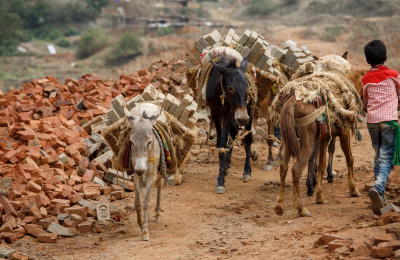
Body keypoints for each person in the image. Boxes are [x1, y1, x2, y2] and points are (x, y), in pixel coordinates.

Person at [362, 40, 400, 215]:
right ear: (385, 56)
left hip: (372, 122)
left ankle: (380, 196)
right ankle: (378, 186)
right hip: (388, 122)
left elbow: (366, 101)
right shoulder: (393, 75)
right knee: (387, 158)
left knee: (378, 155)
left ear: (368, 60)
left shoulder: (366, 78)